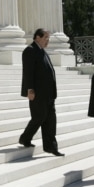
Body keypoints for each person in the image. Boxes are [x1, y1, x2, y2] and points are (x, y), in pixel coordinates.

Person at [18, 28, 64, 156]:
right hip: (37, 93)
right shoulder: (30, 51)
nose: (47, 41)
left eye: (48, 38)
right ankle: (25, 138)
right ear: (37, 37)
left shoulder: (42, 52)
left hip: (49, 94)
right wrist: (29, 90)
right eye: (45, 38)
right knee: (39, 117)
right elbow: (28, 72)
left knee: (50, 120)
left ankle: (51, 147)